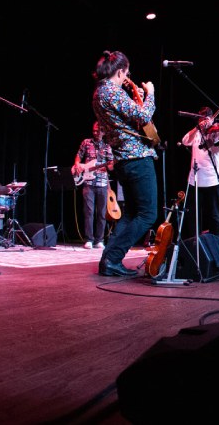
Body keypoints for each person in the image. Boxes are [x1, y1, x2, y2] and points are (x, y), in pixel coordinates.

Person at [91, 50, 157, 277]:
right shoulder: (111, 91)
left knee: (130, 214)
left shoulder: (101, 91)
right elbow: (144, 117)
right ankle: (113, 258)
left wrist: (136, 97)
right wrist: (150, 94)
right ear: (120, 71)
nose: (126, 77)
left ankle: (108, 260)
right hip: (136, 159)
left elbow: (128, 116)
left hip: (123, 160)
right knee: (148, 214)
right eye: (126, 73)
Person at [179, 107, 219, 239]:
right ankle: (195, 244)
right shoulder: (197, 132)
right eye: (201, 118)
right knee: (193, 215)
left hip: (212, 180)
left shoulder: (218, 132)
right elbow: (185, 141)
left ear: (212, 119)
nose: (204, 122)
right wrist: (197, 128)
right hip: (195, 180)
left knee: (214, 216)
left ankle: (217, 244)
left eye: (207, 118)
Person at [71, 122, 114, 249]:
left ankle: (99, 240)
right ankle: (89, 239)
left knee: (101, 213)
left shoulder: (107, 146)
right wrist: (77, 164)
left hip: (102, 183)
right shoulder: (86, 142)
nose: (96, 133)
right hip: (88, 182)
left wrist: (107, 167)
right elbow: (79, 155)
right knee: (88, 211)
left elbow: (111, 166)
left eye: (99, 131)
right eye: (94, 130)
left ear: (104, 132)